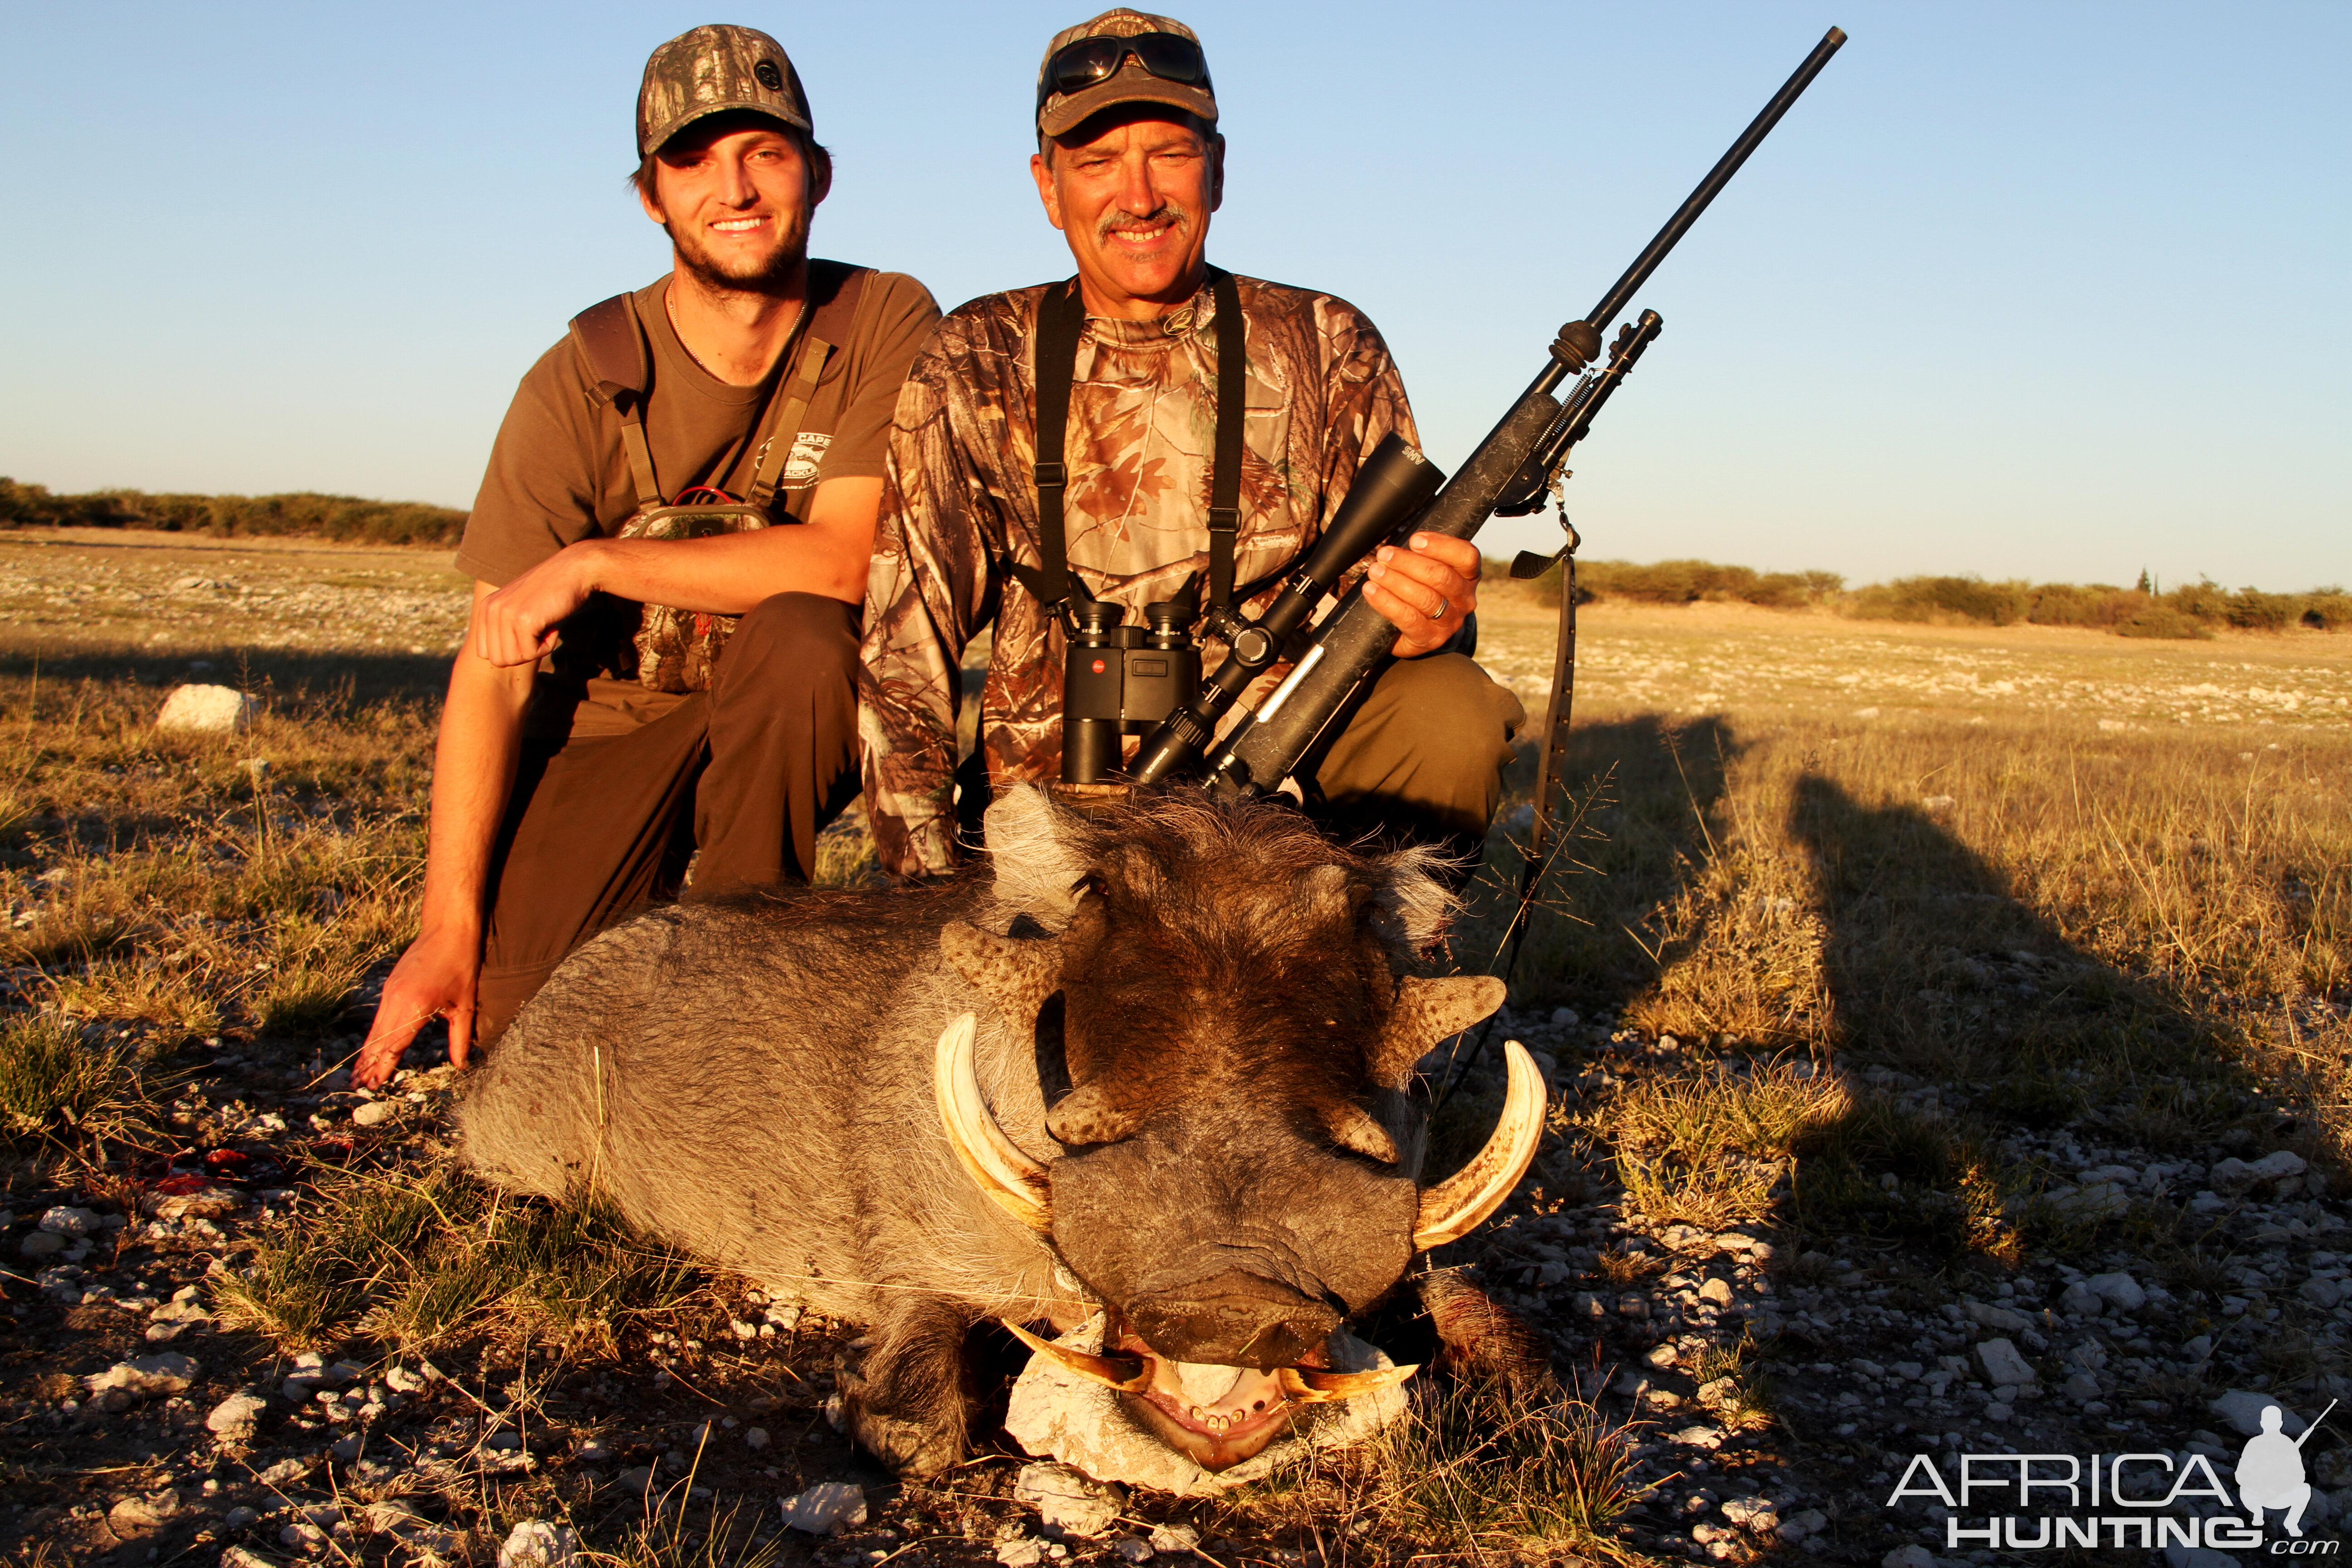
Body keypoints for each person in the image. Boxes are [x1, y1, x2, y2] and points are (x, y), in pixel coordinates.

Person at [355, 25, 940, 1087]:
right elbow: (493, 669)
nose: (737, 187)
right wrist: (447, 926)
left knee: (810, 634)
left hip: (784, 700)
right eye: (694, 159)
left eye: (765, 152)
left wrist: (596, 563)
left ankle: (743, 964)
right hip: (619, 716)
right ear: (650, 198)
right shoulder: (575, 380)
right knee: (521, 1034)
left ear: (818, 174)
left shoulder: (884, 317)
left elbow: (845, 561)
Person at [859, 9, 1523, 881]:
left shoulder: (1327, 341)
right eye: (1096, 162)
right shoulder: (975, 354)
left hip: (1278, 789)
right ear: (1046, 185)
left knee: (1454, 711)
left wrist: (1439, 614)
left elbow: (1401, 600)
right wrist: (926, 887)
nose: (1138, 197)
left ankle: (1375, 992)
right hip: (1049, 820)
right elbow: (904, 650)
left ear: (1217, 170)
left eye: (1169, 153)